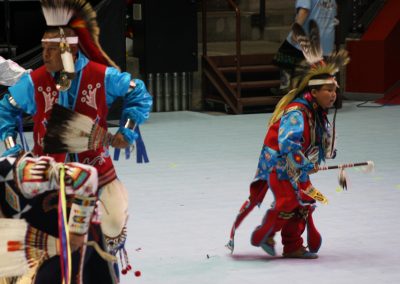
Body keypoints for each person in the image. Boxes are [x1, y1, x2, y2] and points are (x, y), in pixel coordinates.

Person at [0, 0, 152, 282]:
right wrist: (14, 151)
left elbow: (139, 93)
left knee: (113, 221)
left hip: (96, 168)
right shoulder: (34, 81)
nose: (43, 55)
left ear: (68, 51)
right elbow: (5, 111)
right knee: (44, 237)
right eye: (42, 48)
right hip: (48, 173)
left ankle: (100, 268)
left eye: (50, 50)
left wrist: (127, 131)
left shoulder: (100, 75)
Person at [227, 20, 349, 258]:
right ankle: (265, 233)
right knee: (288, 200)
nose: (333, 95)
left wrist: (327, 153)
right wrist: (306, 164)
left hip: (295, 165)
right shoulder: (297, 112)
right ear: (313, 92)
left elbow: (317, 143)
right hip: (279, 164)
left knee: (306, 200)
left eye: (335, 90)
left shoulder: (317, 113)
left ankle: (292, 246)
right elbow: (287, 145)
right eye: (328, 90)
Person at [0, 151, 100, 283]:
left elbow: (86, 176)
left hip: (72, 227)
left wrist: (77, 231)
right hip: (36, 237)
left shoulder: (21, 174)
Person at [273, 0, 338, 94]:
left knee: (285, 55)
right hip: (326, 40)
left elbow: (304, 10)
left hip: (309, 36)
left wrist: (296, 28)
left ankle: (286, 88)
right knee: (316, 69)